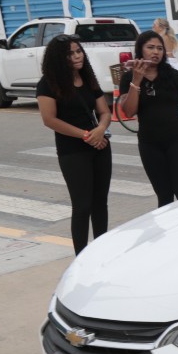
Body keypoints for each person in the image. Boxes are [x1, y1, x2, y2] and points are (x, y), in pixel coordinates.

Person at [36, 34, 112, 254]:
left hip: (100, 146)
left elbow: (104, 112)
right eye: (71, 53)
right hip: (73, 151)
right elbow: (49, 120)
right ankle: (81, 257)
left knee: (100, 204)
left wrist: (100, 130)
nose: (77, 56)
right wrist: (87, 136)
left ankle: (101, 251)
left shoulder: (88, 78)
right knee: (82, 206)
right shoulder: (48, 84)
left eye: (79, 51)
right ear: (60, 58)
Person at [118, 30, 178, 207]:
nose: (156, 52)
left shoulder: (173, 76)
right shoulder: (129, 77)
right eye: (150, 47)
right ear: (140, 50)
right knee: (163, 197)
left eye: (159, 48)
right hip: (150, 145)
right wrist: (136, 80)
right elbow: (129, 111)